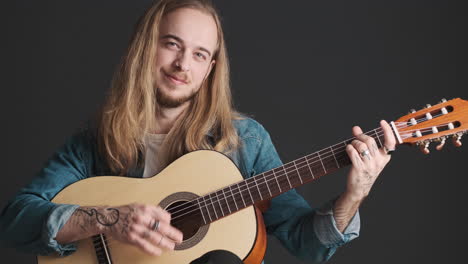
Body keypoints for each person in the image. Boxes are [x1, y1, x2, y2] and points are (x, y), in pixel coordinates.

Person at [0, 0, 396, 263]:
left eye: (199, 54)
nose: (182, 64)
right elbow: (15, 220)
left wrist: (354, 194)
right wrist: (106, 220)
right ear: (146, 49)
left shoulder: (246, 142)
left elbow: (307, 244)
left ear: (209, 70)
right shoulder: (97, 138)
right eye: (172, 45)